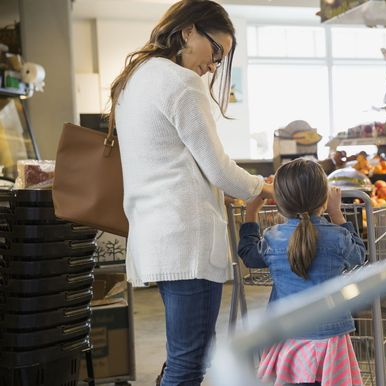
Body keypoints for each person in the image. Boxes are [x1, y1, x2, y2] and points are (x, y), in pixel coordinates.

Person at [107, 1, 273, 385]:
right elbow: (217, 168)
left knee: (183, 355)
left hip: (156, 237)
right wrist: (263, 188)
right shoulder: (182, 83)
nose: (214, 65)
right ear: (188, 32)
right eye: (215, 52)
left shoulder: (136, 76)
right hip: (187, 240)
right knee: (189, 362)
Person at [238, 159, 366, 386]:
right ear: (324, 199)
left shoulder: (272, 237)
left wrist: (251, 214)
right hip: (330, 336)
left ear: (280, 203)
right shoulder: (338, 237)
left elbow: (249, 255)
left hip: (287, 334)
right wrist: (338, 215)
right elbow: (359, 256)